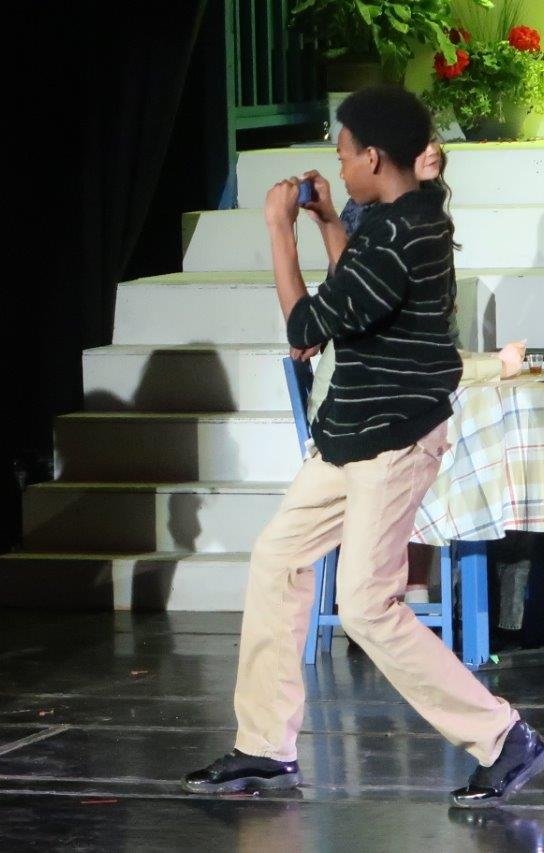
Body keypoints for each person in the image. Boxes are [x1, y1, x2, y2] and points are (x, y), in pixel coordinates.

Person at [180, 85, 543, 808]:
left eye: (343, 154)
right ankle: (264, 746)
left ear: (374, 158)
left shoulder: (399, 231)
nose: (337, 166)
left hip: (394, 438)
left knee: (369, 606)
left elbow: (308, 325)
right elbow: (363, 294)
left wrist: (279, 230)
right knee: (278, 558)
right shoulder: (409, 218)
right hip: (351, 432)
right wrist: (323, 225)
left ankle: (503, 737)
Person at [299, 143, 527, 606]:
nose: (433, 149)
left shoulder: (427, 226)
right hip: (357, 408)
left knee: (437, 432)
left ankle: (408, 595)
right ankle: (393, 596)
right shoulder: (380, 222)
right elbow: (361, 313)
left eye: (433, 141)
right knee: (425, 437)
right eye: (419, 141)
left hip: (398, 398)